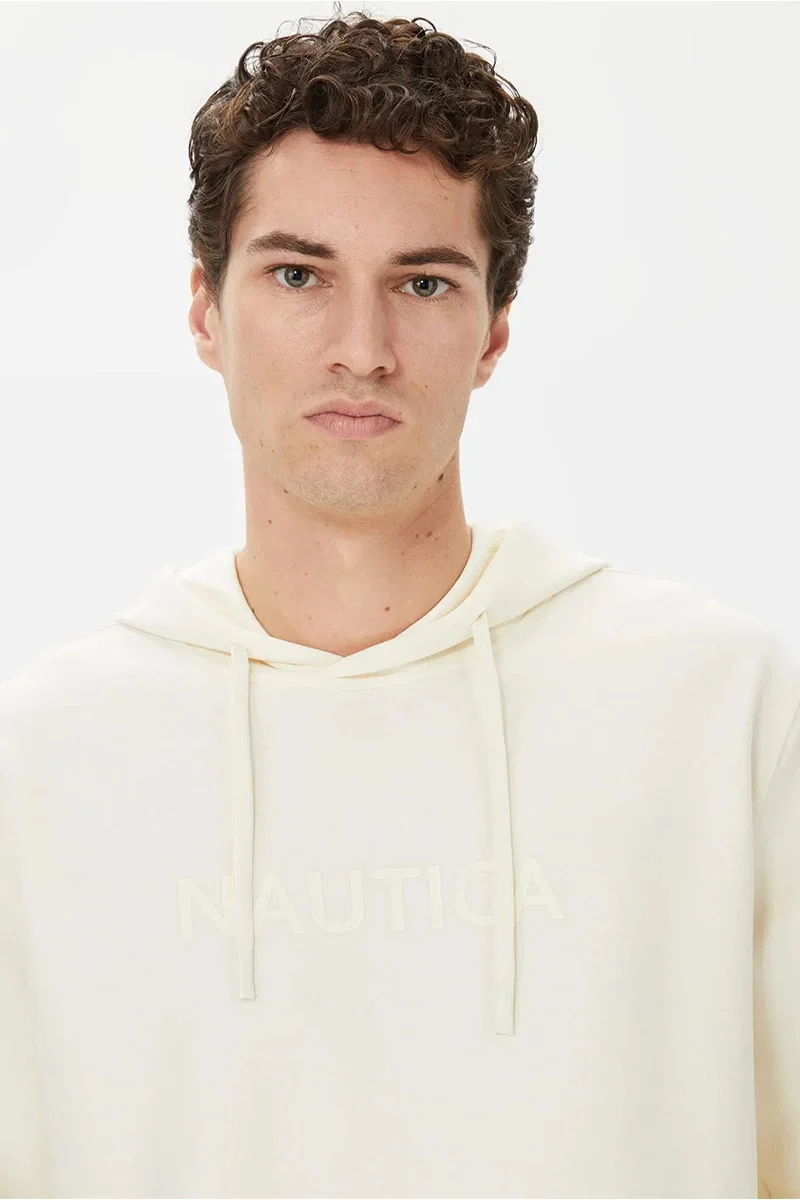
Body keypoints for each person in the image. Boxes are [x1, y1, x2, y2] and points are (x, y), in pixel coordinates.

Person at [1, 7, 798, 1198]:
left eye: (422, 282)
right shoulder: (44, 758)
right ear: (205, 312)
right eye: (297, 275)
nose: (361, 348)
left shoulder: (719, 711)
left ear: (493, 332)